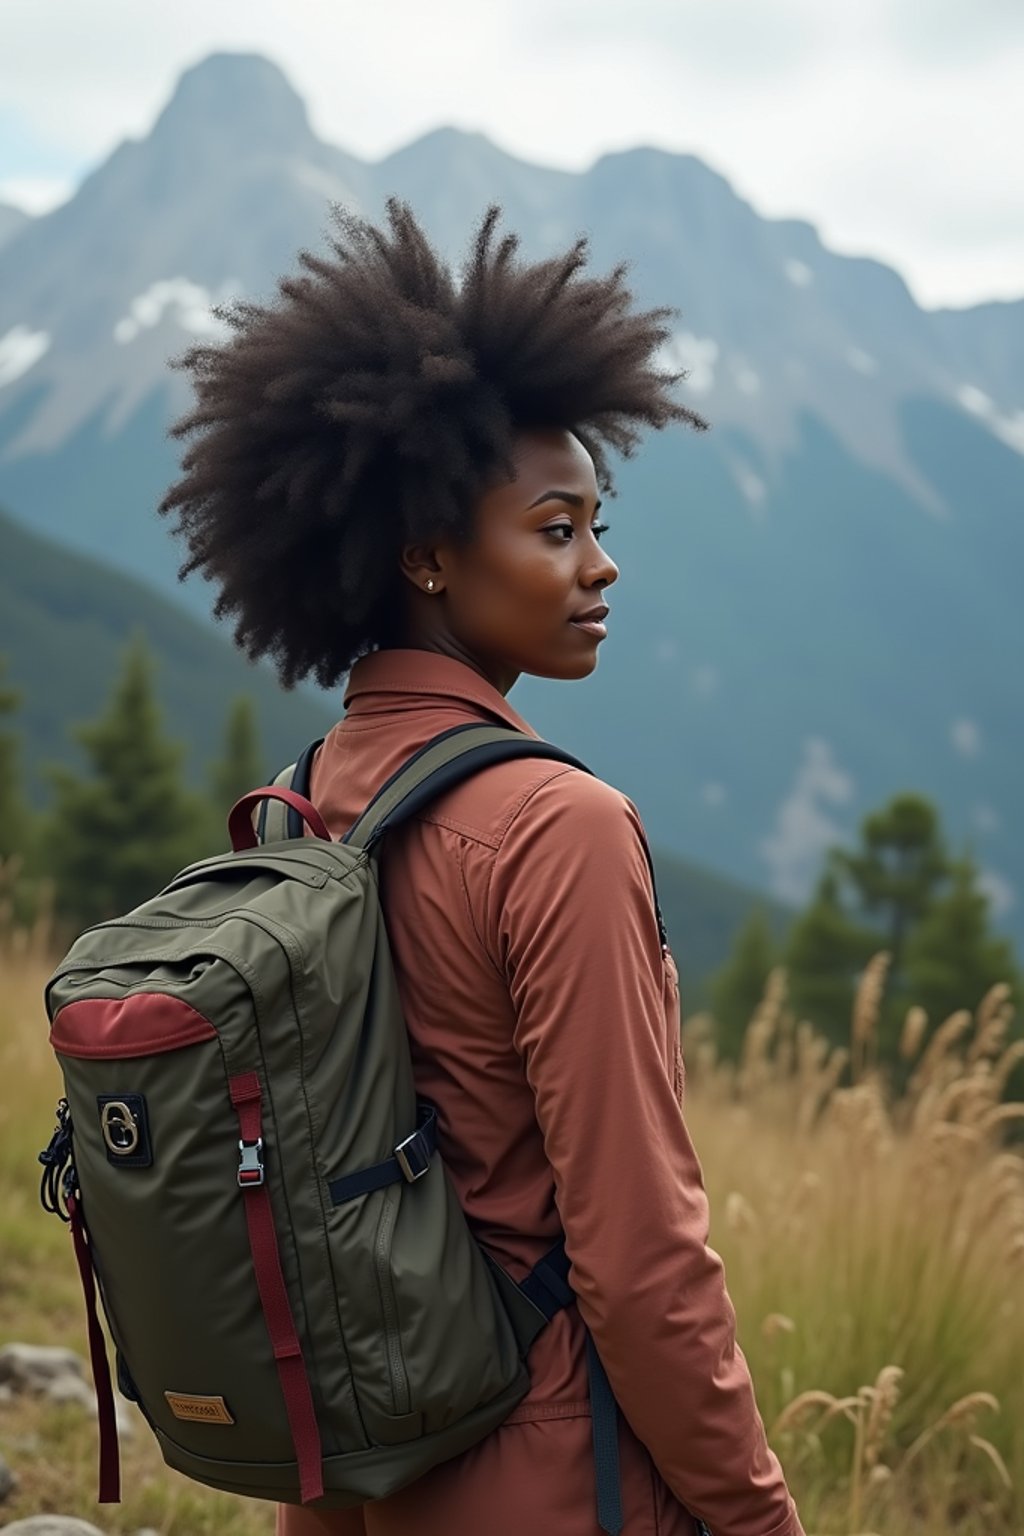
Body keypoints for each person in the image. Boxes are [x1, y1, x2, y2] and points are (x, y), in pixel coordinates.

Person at [159, 201, 805, 1536]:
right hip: (555, 1478)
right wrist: (756, 1516)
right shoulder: (556, 829)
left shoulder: (294, 805)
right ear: (430, 558)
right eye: (556, 527)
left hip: (350, 1469)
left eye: (594, 523)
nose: (600, 564)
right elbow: (637, 1260)